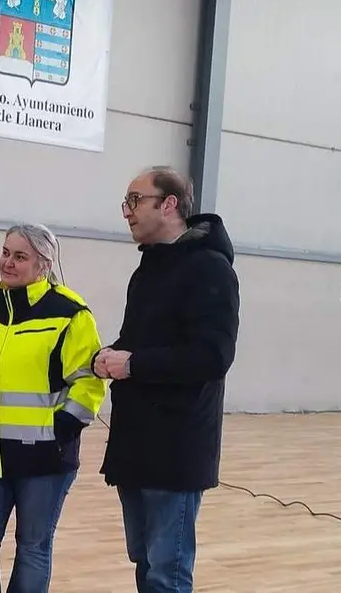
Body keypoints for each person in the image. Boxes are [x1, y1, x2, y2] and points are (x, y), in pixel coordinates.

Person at [93, 166, 240, 593]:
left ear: (169, 204)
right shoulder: (148, 270)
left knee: (167, 572)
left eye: (135, 200)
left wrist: (133, 364)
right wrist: (104, 357)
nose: (127, 212)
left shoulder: (210, 270)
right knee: (144, 561)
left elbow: (212, 357)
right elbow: (138, 342)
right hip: (136, 444)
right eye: (127, 203)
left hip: (176, 450)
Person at [0, 223, 107, 593]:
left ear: (44, 264)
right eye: (5, 252)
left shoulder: (70, 313)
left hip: (45, 460)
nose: (8, 262)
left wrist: (61, 430)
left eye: (20, 256)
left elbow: (87, 381)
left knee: (33, 551)